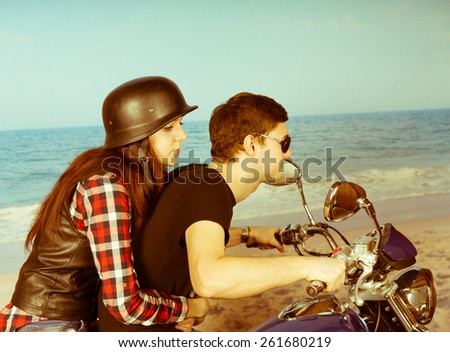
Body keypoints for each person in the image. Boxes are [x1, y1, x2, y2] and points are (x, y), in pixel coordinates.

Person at [98, 92, 346, 332]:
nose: (289, 153)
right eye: (284, 143)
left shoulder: (194, 178)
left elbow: (184, 242)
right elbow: (209, 278)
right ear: (251, 144)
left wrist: (249, 235)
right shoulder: (207, 187)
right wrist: (307, 267)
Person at [0, 76, 209, 332]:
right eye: (169, 128)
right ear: (138, 134)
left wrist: (247, 234)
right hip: (47, 326)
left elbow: (174, 237)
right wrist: (188, 307)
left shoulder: (136, 179)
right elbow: (124, 304)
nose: (183, 136)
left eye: (180, 124)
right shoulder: (107, 185)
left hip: (77, 322)